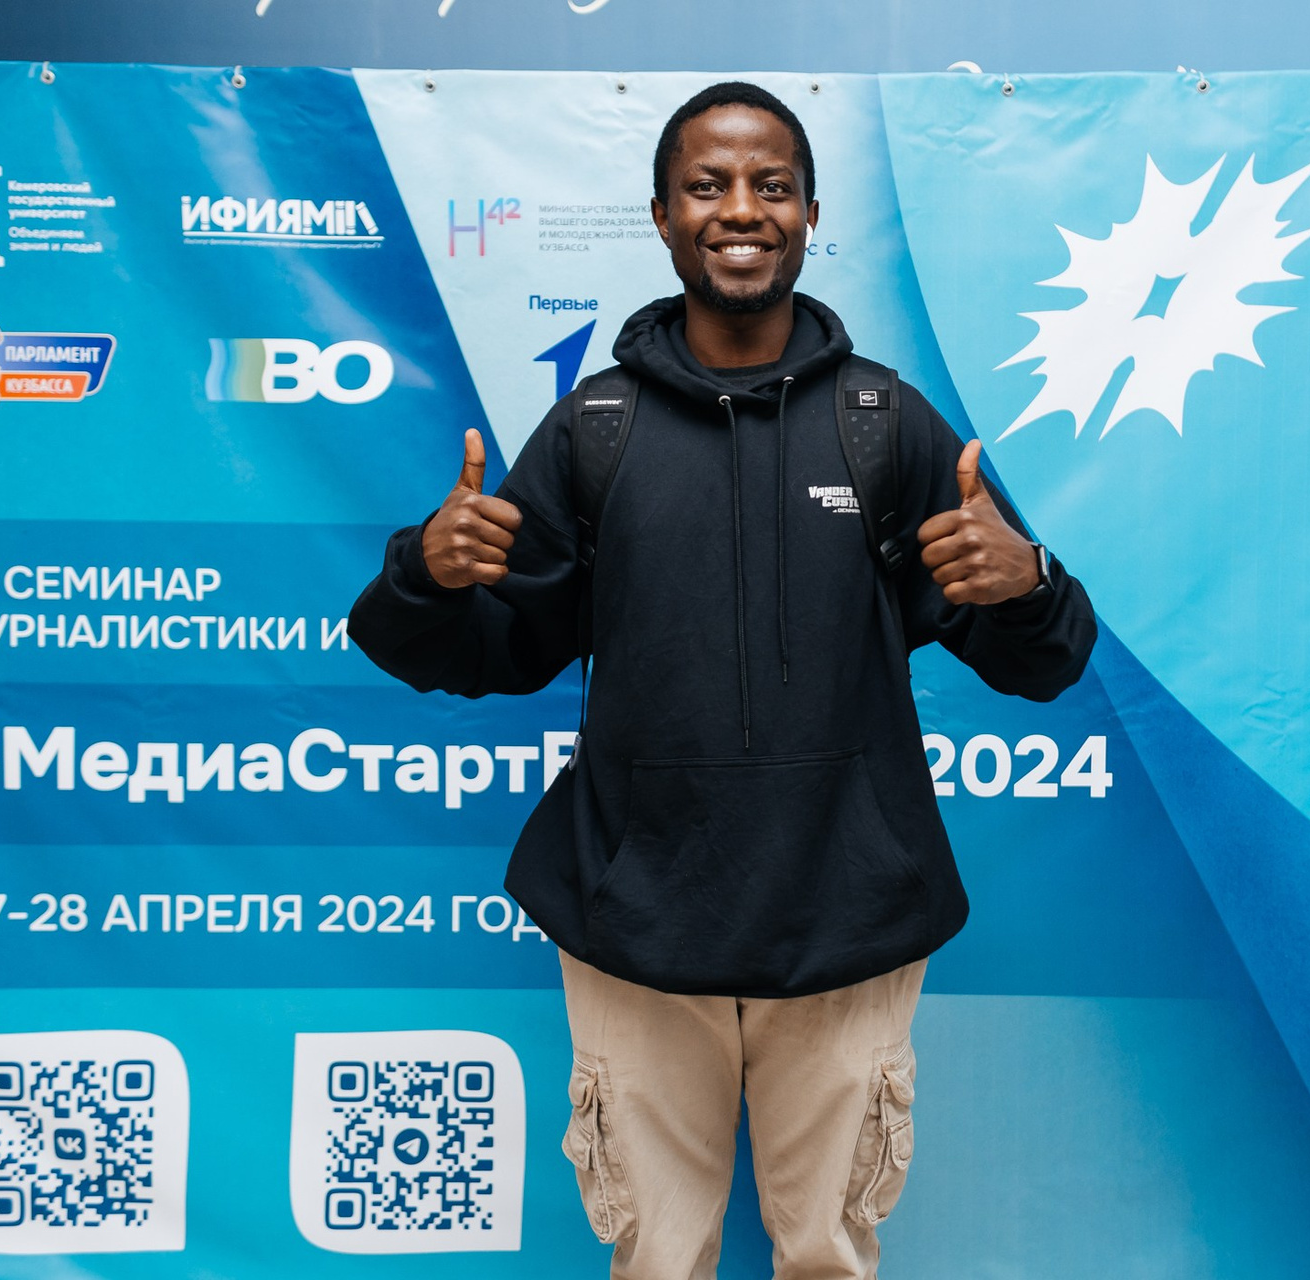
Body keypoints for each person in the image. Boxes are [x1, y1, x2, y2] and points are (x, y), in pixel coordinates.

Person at [348, 81, 1096, 1280]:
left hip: (849, 920)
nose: (740, 209)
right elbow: (492, 653)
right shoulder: (595, 430)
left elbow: (1041, 664)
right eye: (707, 185)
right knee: (658, 1259)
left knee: (827, 1256)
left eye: (771, 185)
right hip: (636, 919)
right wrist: (425, 575)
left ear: (809, 215)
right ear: (662, 214)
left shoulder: (882, 423)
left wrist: (1030, 582)